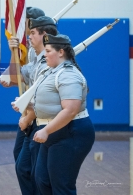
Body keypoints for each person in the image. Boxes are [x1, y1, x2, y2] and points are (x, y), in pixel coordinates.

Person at [14, 33, 95, 195]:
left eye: (48, 50)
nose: (45, 54)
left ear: (61, 52)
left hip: (72, 132)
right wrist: (28, 105)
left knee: (61, 186)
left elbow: (71, 109)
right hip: (56, 132)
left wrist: (45, 130)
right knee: (42, 180)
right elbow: (52, 103)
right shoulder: (52, 72)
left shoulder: (68, 74)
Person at [1, 16, 57, 195]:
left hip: (43, 121)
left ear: (44, 34)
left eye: (32, 33)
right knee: (24, 167)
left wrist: (27, 118)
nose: (29, 37)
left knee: (35, 172)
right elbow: (12, 77)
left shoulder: (50, 61)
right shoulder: (36, 60)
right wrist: (13, 51)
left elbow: (45, 98)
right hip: (32, 119)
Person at [0, 7, 45, 162]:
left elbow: (42, 86)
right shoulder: (30, 48)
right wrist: (14, 52)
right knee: (20, 156)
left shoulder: (44, 51)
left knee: (29, 164)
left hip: (40, 113)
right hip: (29, 109)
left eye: (23, 21)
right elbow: (20, 76)